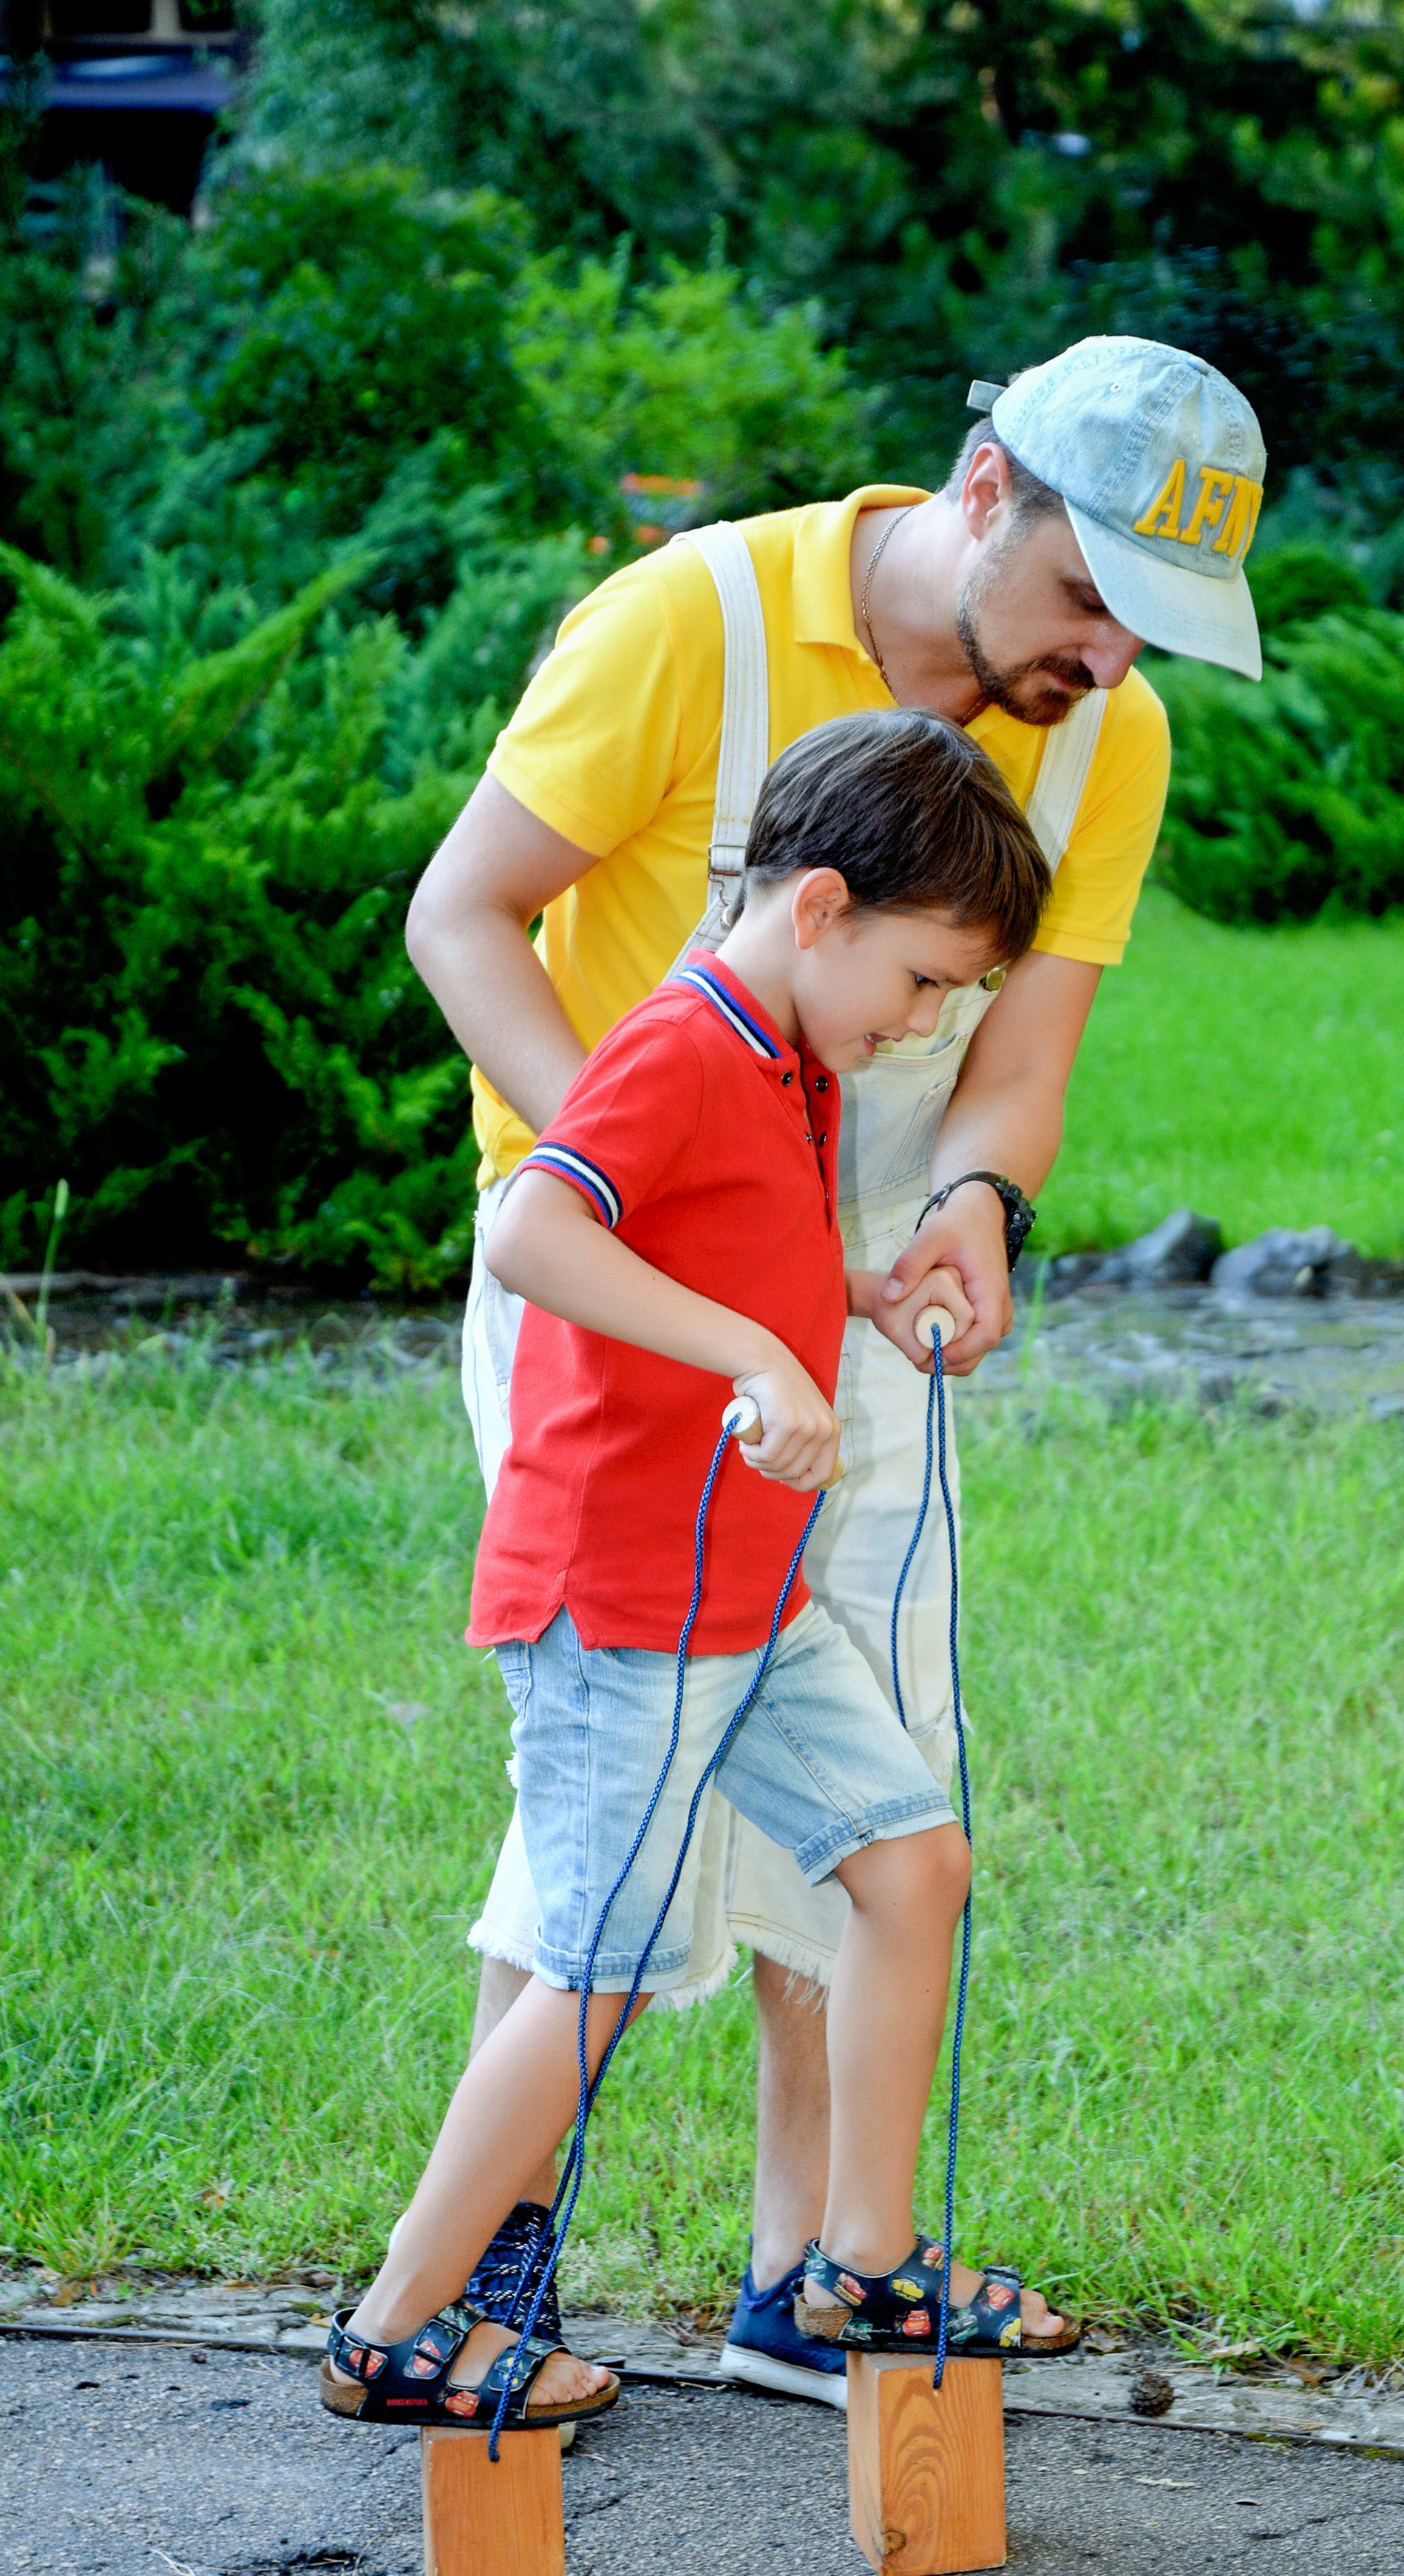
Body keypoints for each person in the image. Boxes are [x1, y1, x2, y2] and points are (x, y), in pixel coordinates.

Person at [405, 332, 1267, 2405]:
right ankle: (481, 2276)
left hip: (863, 1311)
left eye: (1156, 632)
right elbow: (462, 916)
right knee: (616, 1792)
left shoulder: (1100, 730)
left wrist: (973, 1206)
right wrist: (669, 1225)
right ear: (986, 491)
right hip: (629, 1320)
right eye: (1089, 599)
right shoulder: (688, 616)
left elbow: (1025, 1057)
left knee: (866, 1767)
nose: (1113, 663)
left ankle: (811, 2264)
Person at [325, 711, 1077, 2429]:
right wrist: (752, 1350)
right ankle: (394, 2323)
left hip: (747, 1599)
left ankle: (858, 2254)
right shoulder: (678, 1039)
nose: (929, 1023)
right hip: (622, 1599)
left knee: (911, 1858)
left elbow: (743, 1227)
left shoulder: (792, 1062)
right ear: (819, 905)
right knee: (598, 1967)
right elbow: (538, 1225)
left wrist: (858, 1292)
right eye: (921, 979)